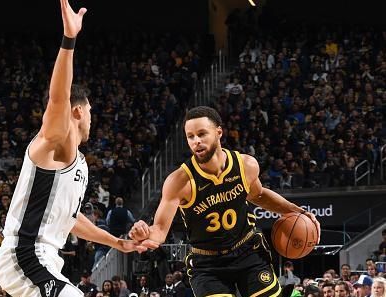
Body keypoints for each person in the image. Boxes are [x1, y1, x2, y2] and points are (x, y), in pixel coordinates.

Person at [0, 1, 157, 297]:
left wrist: (117, 243)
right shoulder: (55, 143)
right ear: (78, 111)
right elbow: (58, 100)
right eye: (91, 111)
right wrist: (69, 39)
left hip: (45, 259)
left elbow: (71, 219)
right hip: (25, 254)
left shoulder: (78, 163)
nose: (94, 117)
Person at [129, 106, 320, 297]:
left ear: (219, 132)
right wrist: (145, 233)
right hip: (207, 263)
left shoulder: (246, 165)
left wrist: (296, 211)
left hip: (247, 251)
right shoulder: (179, 181)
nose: (196, 141)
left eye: (202, 134)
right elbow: (160, 230)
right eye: (191, 136)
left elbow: (258, 195)